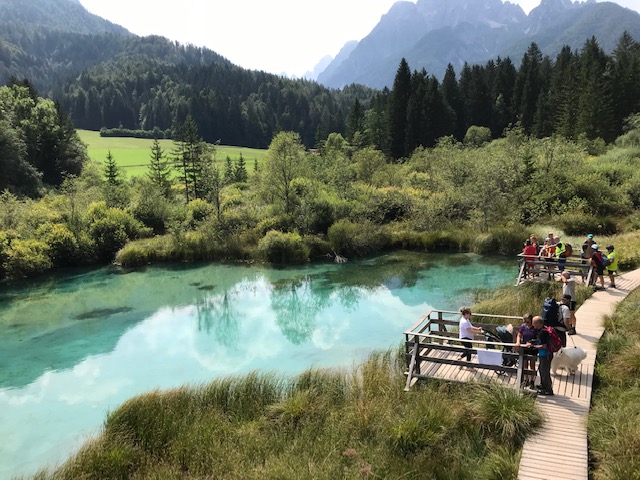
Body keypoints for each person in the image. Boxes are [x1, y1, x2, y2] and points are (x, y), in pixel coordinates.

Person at [527, 316, 553, 396]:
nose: (533, 325)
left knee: (545, 372)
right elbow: (541, 341)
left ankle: (548, 389)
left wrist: (533, 347)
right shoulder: (543, 329)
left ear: (538, 323)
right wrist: (533, 342)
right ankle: (543, 385)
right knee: (541, 370)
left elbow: (544, 346)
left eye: (534, 323)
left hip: (546, 355)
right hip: (545, 354)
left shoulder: (543, 333)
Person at [515, 313, 538, 388]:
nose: (526, 323)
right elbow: (519, 335)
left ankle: (532, 381)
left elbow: (538, 338)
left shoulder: (535, 328)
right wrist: (518, 342)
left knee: (532, 364)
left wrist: (531, 342)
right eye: (525, 321)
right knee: (524, 364)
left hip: (532, 347)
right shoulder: (523, 326)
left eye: (527, 321)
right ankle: (526, 380)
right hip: (524, 347)